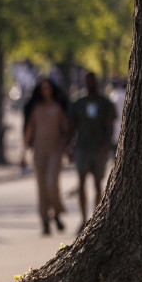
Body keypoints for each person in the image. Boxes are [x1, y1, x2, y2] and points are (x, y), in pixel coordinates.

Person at [20, 78, 70, 236]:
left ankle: (57, 211)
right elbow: (29, 131)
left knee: (51, 184)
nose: (45, 91)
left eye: (47, 88)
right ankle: (45, 221)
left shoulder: (57, 108)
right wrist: (23, 154)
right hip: (39, 150)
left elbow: (66, 130)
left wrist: (67, 149)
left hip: (55, 150)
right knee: (41, 187)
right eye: (43, 88)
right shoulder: (36, 108)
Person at [68, 72, 117, 230]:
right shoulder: (79, 103)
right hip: (82, 148)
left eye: (93, 81)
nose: (90, 84)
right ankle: (83, 219)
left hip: (99, 148)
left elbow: (110, 126)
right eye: (88, 81)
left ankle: (96, 219)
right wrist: (69, 147)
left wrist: (107, 145)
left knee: (97, 183)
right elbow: (72, 126)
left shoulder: (105, 103)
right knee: (81, 182)